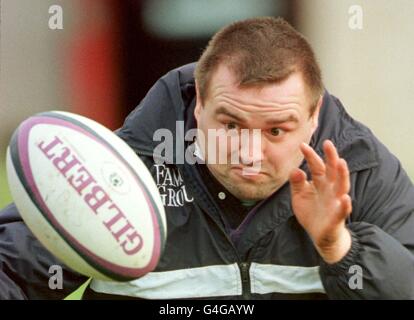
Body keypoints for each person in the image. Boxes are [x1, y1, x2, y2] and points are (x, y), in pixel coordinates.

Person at [1, 17, 413, 300]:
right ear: (199, 103)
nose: (249, 155)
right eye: (231, 125)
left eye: (276, 131)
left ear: (313, 116)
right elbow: (10, 270)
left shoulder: (359, 174)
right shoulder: (123, 167)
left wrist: (338, 245)